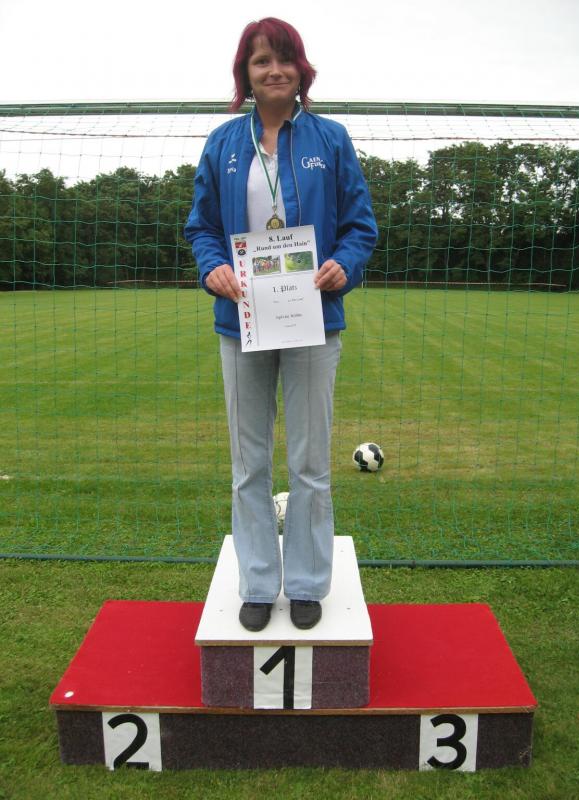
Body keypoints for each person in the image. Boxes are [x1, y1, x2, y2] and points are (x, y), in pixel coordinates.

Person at [184, 17, 377, 632]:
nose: (274, 70)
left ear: (302, 69)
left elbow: (360, 225)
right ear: (245, 72)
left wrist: (343, 264)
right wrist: (213, 267)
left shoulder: (331, 138)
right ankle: (259, 583)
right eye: (261, 60)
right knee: (249, 464)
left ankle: (308, 583)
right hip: (241, 319)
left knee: (310, 462)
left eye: (285, 58)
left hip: (313, 318)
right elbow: (201, 226)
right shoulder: (222, 142)